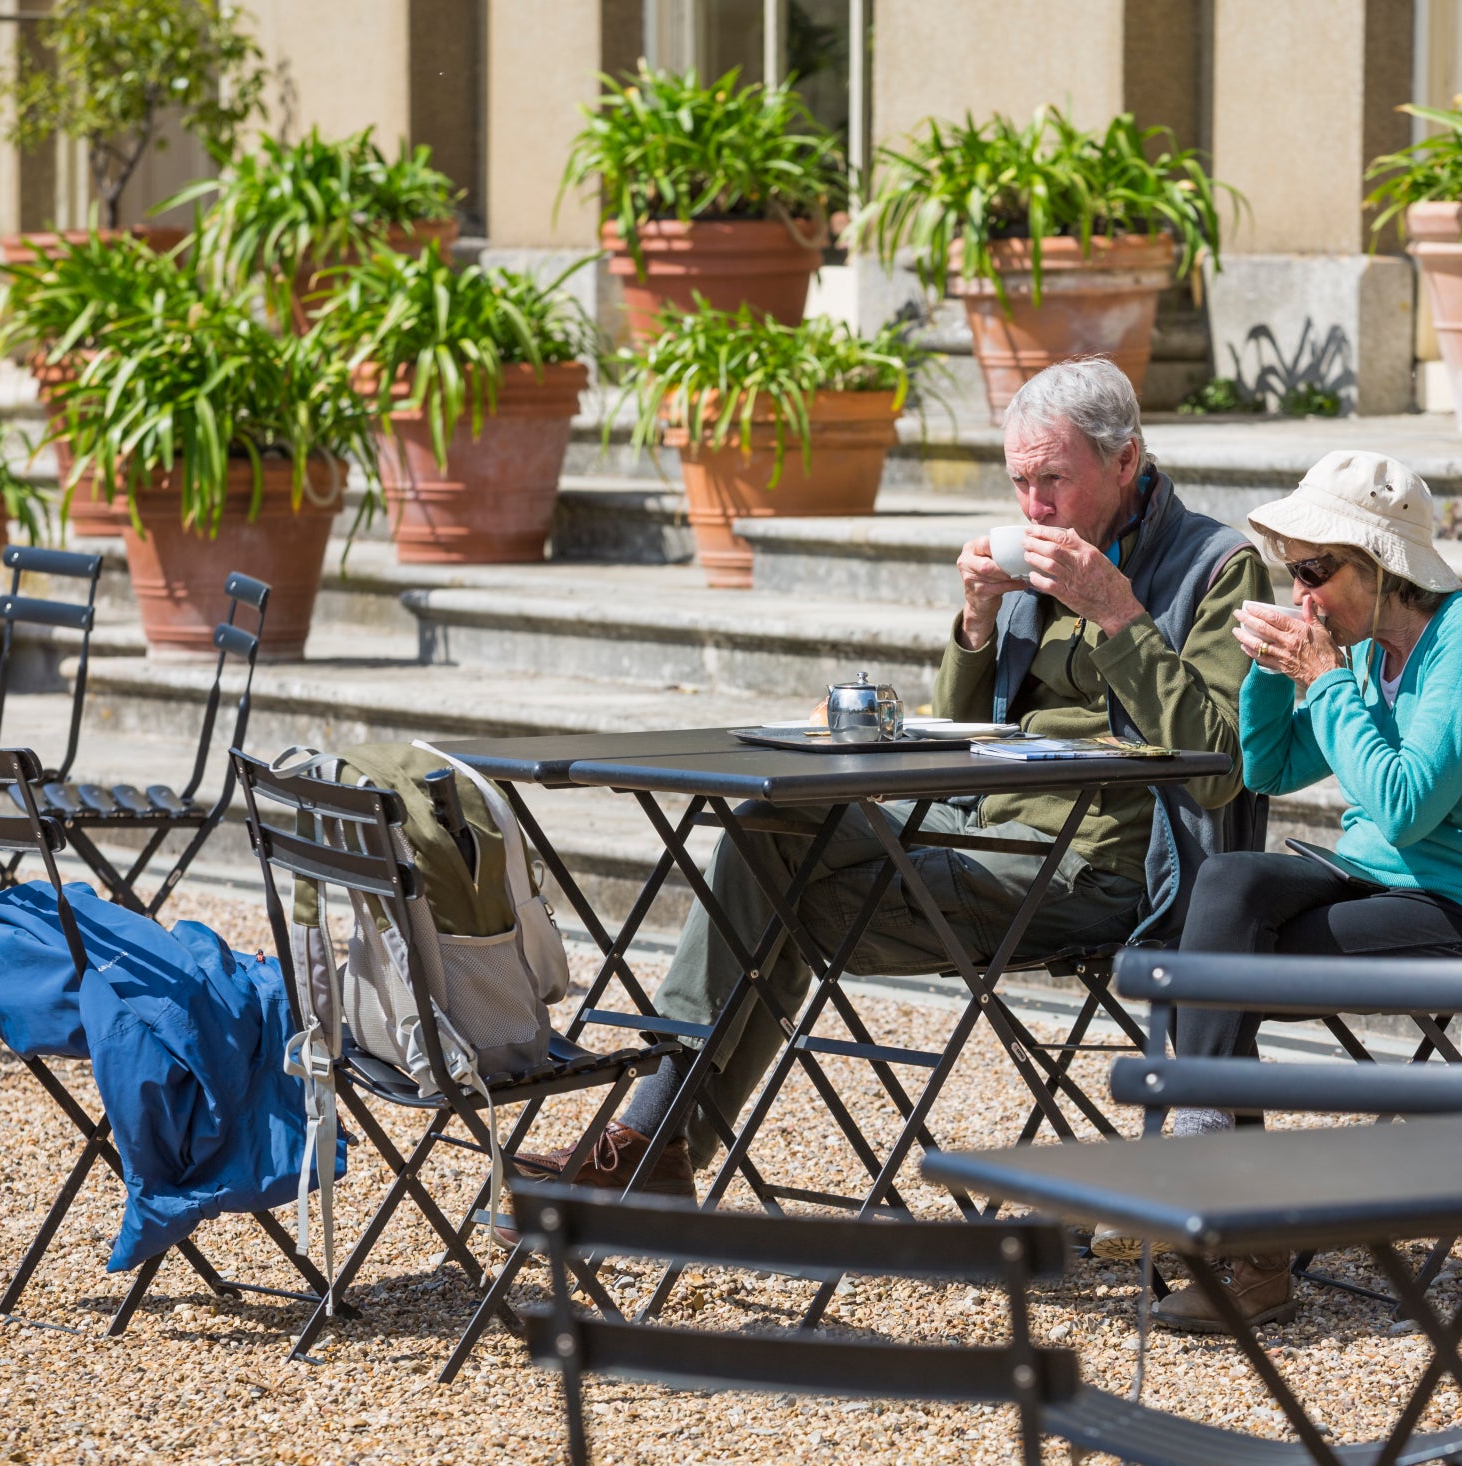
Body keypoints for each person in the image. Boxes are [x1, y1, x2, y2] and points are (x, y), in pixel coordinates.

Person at [520, 357, 1270, 1194]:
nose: (1033, 507)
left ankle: (648, 1142)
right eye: (1020, 481)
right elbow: (948, 745)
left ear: (1125, 460)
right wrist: (978, 622)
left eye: (1053, 479)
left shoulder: (1216, 567)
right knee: (759, 834)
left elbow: (1220, 766)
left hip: (1095, 865)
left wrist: (1118, 613)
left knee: (767, 898)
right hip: (978, 826)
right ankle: (650, 1143)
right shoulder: (1042, 560)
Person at [1149, 448, 1462, 1334]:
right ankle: (1223, 1194)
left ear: (1378, 564)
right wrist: (1269, 667)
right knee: (1223, 890)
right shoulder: (1370, 647)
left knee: (1209, 967)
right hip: (1371, 880)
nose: (1302, 593)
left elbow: (1409, 806)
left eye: (1314, 571)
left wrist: (1327, 679)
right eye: (1291, 572)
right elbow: (1268, 764)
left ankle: (1234, 1232)